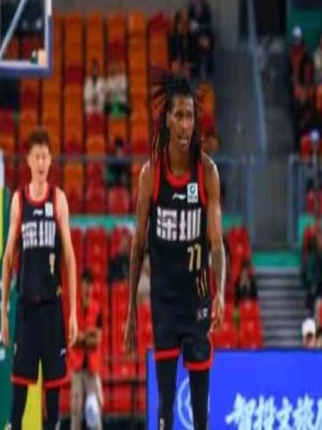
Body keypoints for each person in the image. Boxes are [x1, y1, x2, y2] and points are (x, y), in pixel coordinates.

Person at [124, 72, 226, 430]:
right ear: (167, 119)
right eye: (179, 115)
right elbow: (138, 245)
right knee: (166, 407)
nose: (185, 124)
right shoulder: (151, 174)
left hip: (198, 299)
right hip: (164, 301)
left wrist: (220, 292)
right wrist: (130, 309)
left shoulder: (207, 172)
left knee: (200, 411)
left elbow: (217, 244)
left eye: (190, 116)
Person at [1, 129, 78, 430]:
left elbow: (69, 258)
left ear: (51, 160)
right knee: (17, 401)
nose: (43, 162)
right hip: (26, 310)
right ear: (29, 161)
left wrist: (73, 313)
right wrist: (3, 313)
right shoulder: (19, 201)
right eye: (38, 157)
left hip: (52, 310)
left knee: (53, 399)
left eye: (46, 156)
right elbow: (8, 258)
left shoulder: (58, 199)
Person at [70, 270, 103, 430]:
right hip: (77, 367)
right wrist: (88, 335)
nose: (87, 289)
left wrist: (82, 336)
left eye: (90, 285)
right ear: (81, 286)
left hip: (92, 367)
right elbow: (72, 339)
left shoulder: (97, 309)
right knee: (76, 410)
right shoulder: (74, 309)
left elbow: (97, 340)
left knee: (94, 409)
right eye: (85, 285)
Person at [188, 0, 214, 79]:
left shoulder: (206, 7)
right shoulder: (191, 8)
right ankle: (195, 71)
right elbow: (189, 24)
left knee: (206, 43)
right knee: (197, 43)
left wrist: (200, 29)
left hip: (204, 34)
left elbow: (208, 24)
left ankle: (204, 71)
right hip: (194, 36)